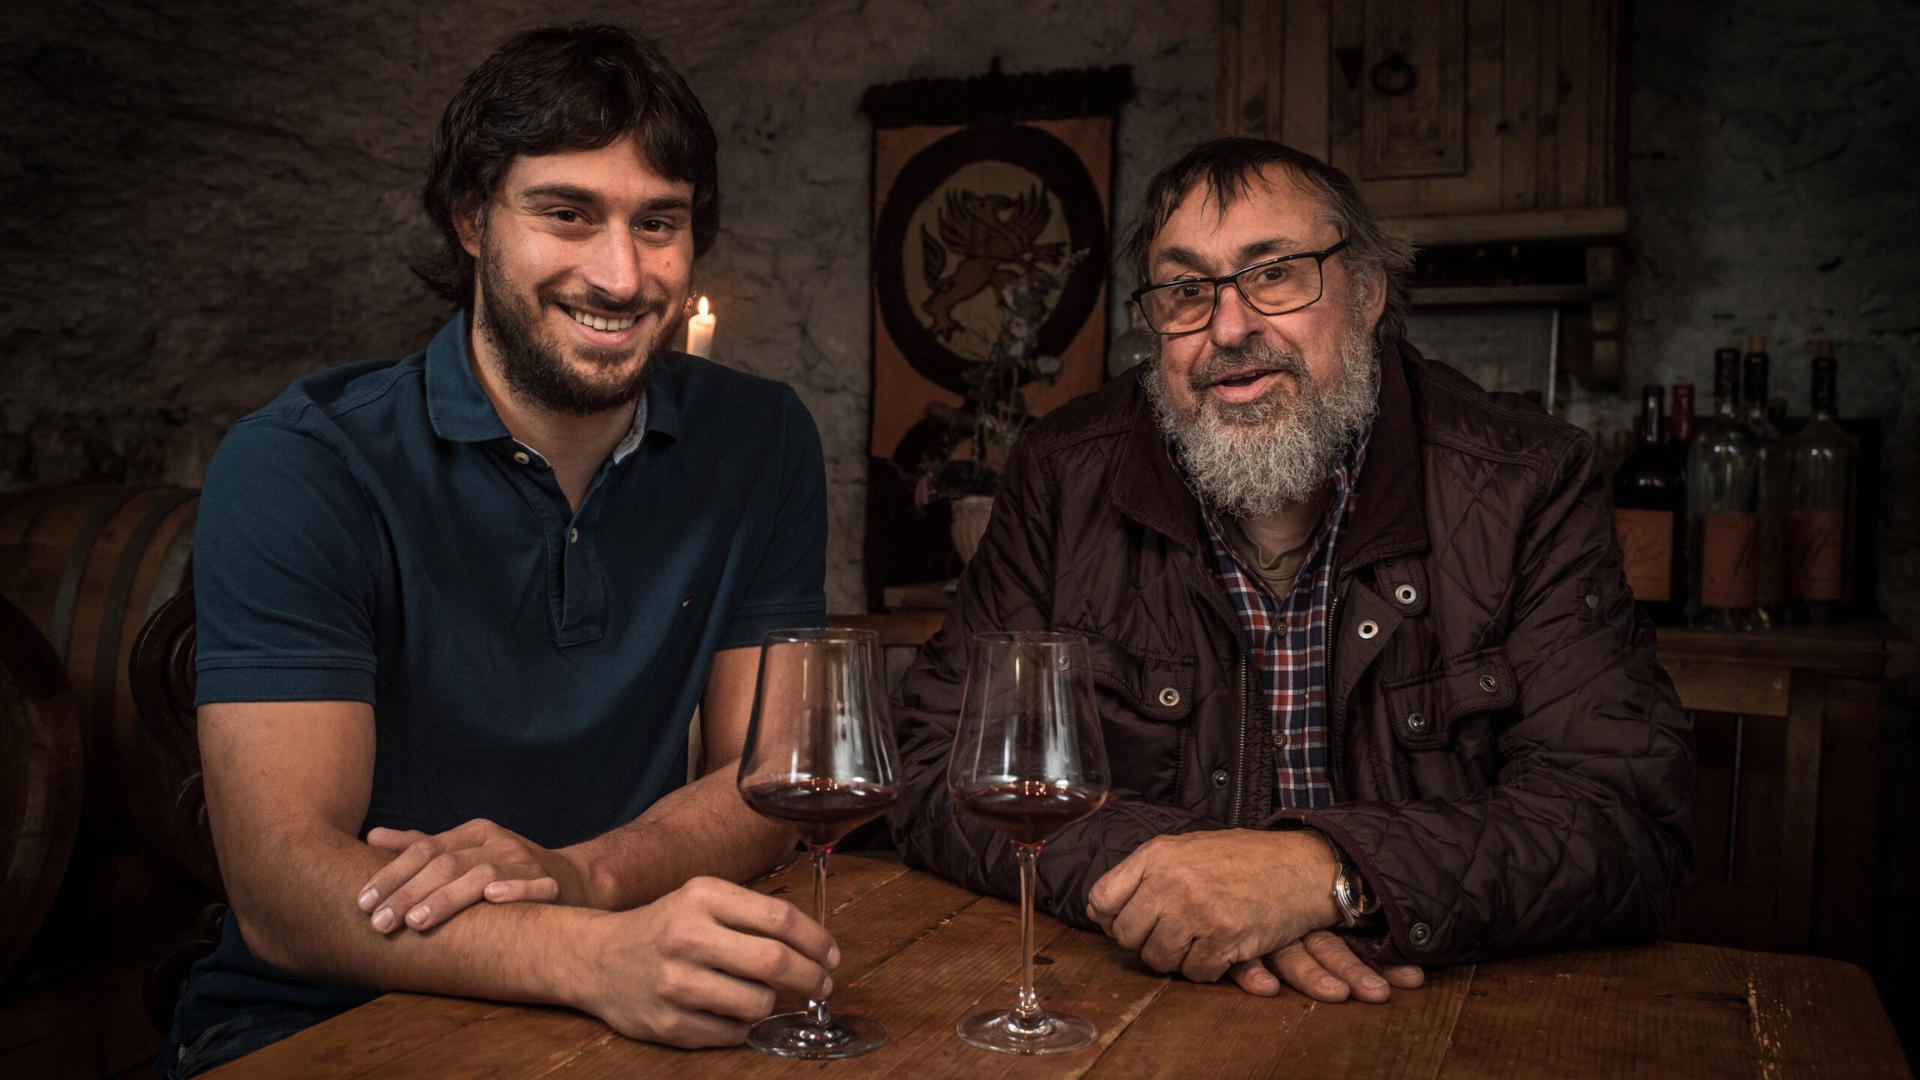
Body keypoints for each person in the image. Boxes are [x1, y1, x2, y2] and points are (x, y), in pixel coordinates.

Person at [164, 25, 839, 1078]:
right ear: (472, 218)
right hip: (317, 1022)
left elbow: (769, 781)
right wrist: (589, 953)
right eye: (568, 214)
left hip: (619, 1003)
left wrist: (583, 883)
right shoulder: (300, 464)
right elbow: (282, 892)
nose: (621, 275)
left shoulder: (763, 439)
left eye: (658, 223)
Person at [888, 137, 1695, 1005]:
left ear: (1369, 291)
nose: (1228, 328)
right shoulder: (1061, 473)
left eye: (1275, 275)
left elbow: (1621, 819)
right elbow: (934, 763)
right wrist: (1180, 884)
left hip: (1434, 1010)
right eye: (1186, 290)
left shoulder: (1525, 480)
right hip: (1138, 998)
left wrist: (1328, 873)